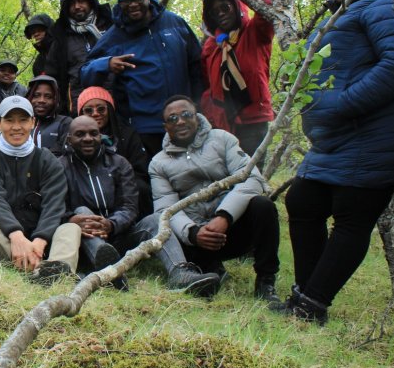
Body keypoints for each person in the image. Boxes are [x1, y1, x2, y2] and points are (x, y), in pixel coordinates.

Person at [277, 0, 394, 324]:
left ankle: (312, 303)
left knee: (351, 211)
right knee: (302, 200)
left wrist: (340, 104)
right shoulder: (340, 16)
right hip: (339, 137)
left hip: (379, 133)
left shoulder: (382, 4)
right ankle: (304, 295)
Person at [61, 117, 221, 295]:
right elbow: (56, 208)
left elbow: (130, 207)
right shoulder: (60, 166)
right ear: (69, 139)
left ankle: (181, 273)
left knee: (156, 219)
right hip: (85, 243)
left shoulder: (119, 163)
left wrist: (111, 224)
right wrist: (71, 219)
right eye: (80, 134)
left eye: (93, 133)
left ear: (101, 136)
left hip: (120, 236)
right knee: (82, 212)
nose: (88, 138)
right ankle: (108, 271)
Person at [145, 96, 280, 300]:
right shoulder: (158, 163)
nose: (180, 121)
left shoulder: (222, 139)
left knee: (263, 205)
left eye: (186, 115)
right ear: (166, 127)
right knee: (163, 225)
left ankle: (266, 282)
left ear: (197, 117)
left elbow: (252, 178)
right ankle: (208, 268)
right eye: (172, 118)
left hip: (231, 228)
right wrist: (193, 232)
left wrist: (224, 216)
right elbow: (165, 208)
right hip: (195, 238)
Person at [0, 96, 82, 284]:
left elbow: (54, 204)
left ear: (33, 122)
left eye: (23, 120)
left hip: (40, 239)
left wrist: (40, 240)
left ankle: (52, 269)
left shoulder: (47, 159)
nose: (16, 127)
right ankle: (35, 269)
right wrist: (16, 235)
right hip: (6, 238)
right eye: (9, 120)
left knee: (71, 228)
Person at [81, 0, 203, 156]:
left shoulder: (173, 23)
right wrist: (106, 63)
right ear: (120, 3)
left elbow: (197, 65)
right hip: (146, 127)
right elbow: (85, 72)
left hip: (183, 120)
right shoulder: (116, 35)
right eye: (126, 0)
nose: (133, 4)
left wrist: (198, 105)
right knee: (157, 176)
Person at [199, 0, 275, 156]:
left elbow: (268, 7)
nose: (221, 14)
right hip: (222, 124)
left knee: (250, 176)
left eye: (225, 7)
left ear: (237, 7)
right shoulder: (212, 45)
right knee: (227, 179)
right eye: (214, 12)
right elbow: (207, 83)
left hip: (253, 122)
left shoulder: (255, 32)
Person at [76, 86, 152, 217]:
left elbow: (141, 171)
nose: (95, 113)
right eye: (89, 110)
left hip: (124, 187)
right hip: (88, 188)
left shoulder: (127, 134)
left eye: (101, 109)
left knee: (141, 188)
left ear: (110, 110)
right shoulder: (73, 139)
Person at [47, 0, 112, 113]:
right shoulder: (61, 38)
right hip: (79, 107)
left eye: (81, 1)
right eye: (72, 4)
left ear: (90, 2)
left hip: (114, 102)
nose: (77, 7)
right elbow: (52, 76)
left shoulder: (110, 26)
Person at [26, 75, 72, 156]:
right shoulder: (21, 124)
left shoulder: (65, 123)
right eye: (36, 95)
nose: (41, 100)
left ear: (55, 99)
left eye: (48, 96)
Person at [24, 13, 56, 77]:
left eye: (40, 30)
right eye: (32, 33)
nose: (36, 34)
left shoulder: (67, 49)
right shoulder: (38, 64)